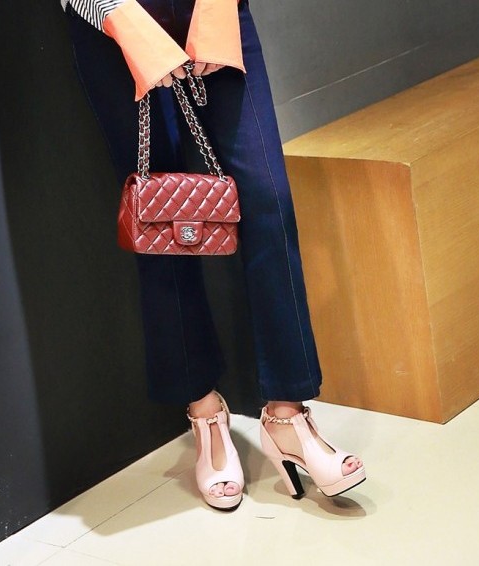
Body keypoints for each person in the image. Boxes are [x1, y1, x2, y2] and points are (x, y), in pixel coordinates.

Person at [62, 0, 365, 510]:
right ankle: (204, 409)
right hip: (115, 20)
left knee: (267, 200)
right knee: (161, 216)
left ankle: (287, 416)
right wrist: (122, 18)